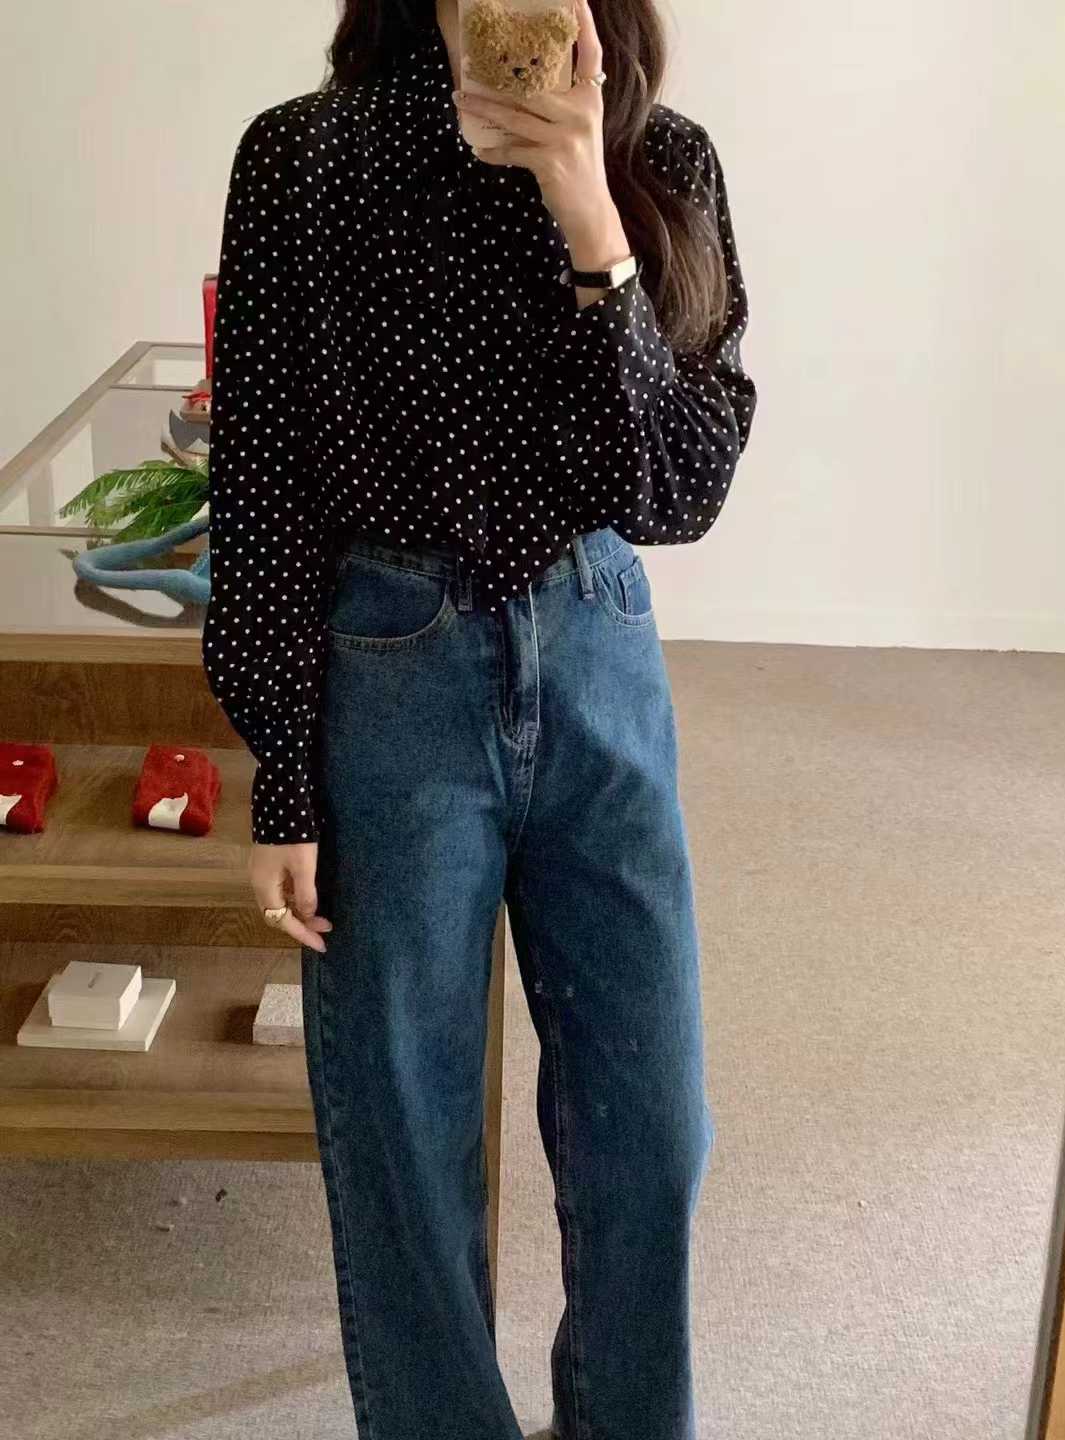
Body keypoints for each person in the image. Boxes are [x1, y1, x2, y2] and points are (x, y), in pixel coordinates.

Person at [202, 0, 756, 1434]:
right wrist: (281, 776)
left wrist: (585, 202)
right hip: (392, 664)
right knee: (402, 1129)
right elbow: (260, 485)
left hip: (598, 641)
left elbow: (677, 490)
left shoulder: (662, 162)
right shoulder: (305, 156)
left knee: (654, 1128)